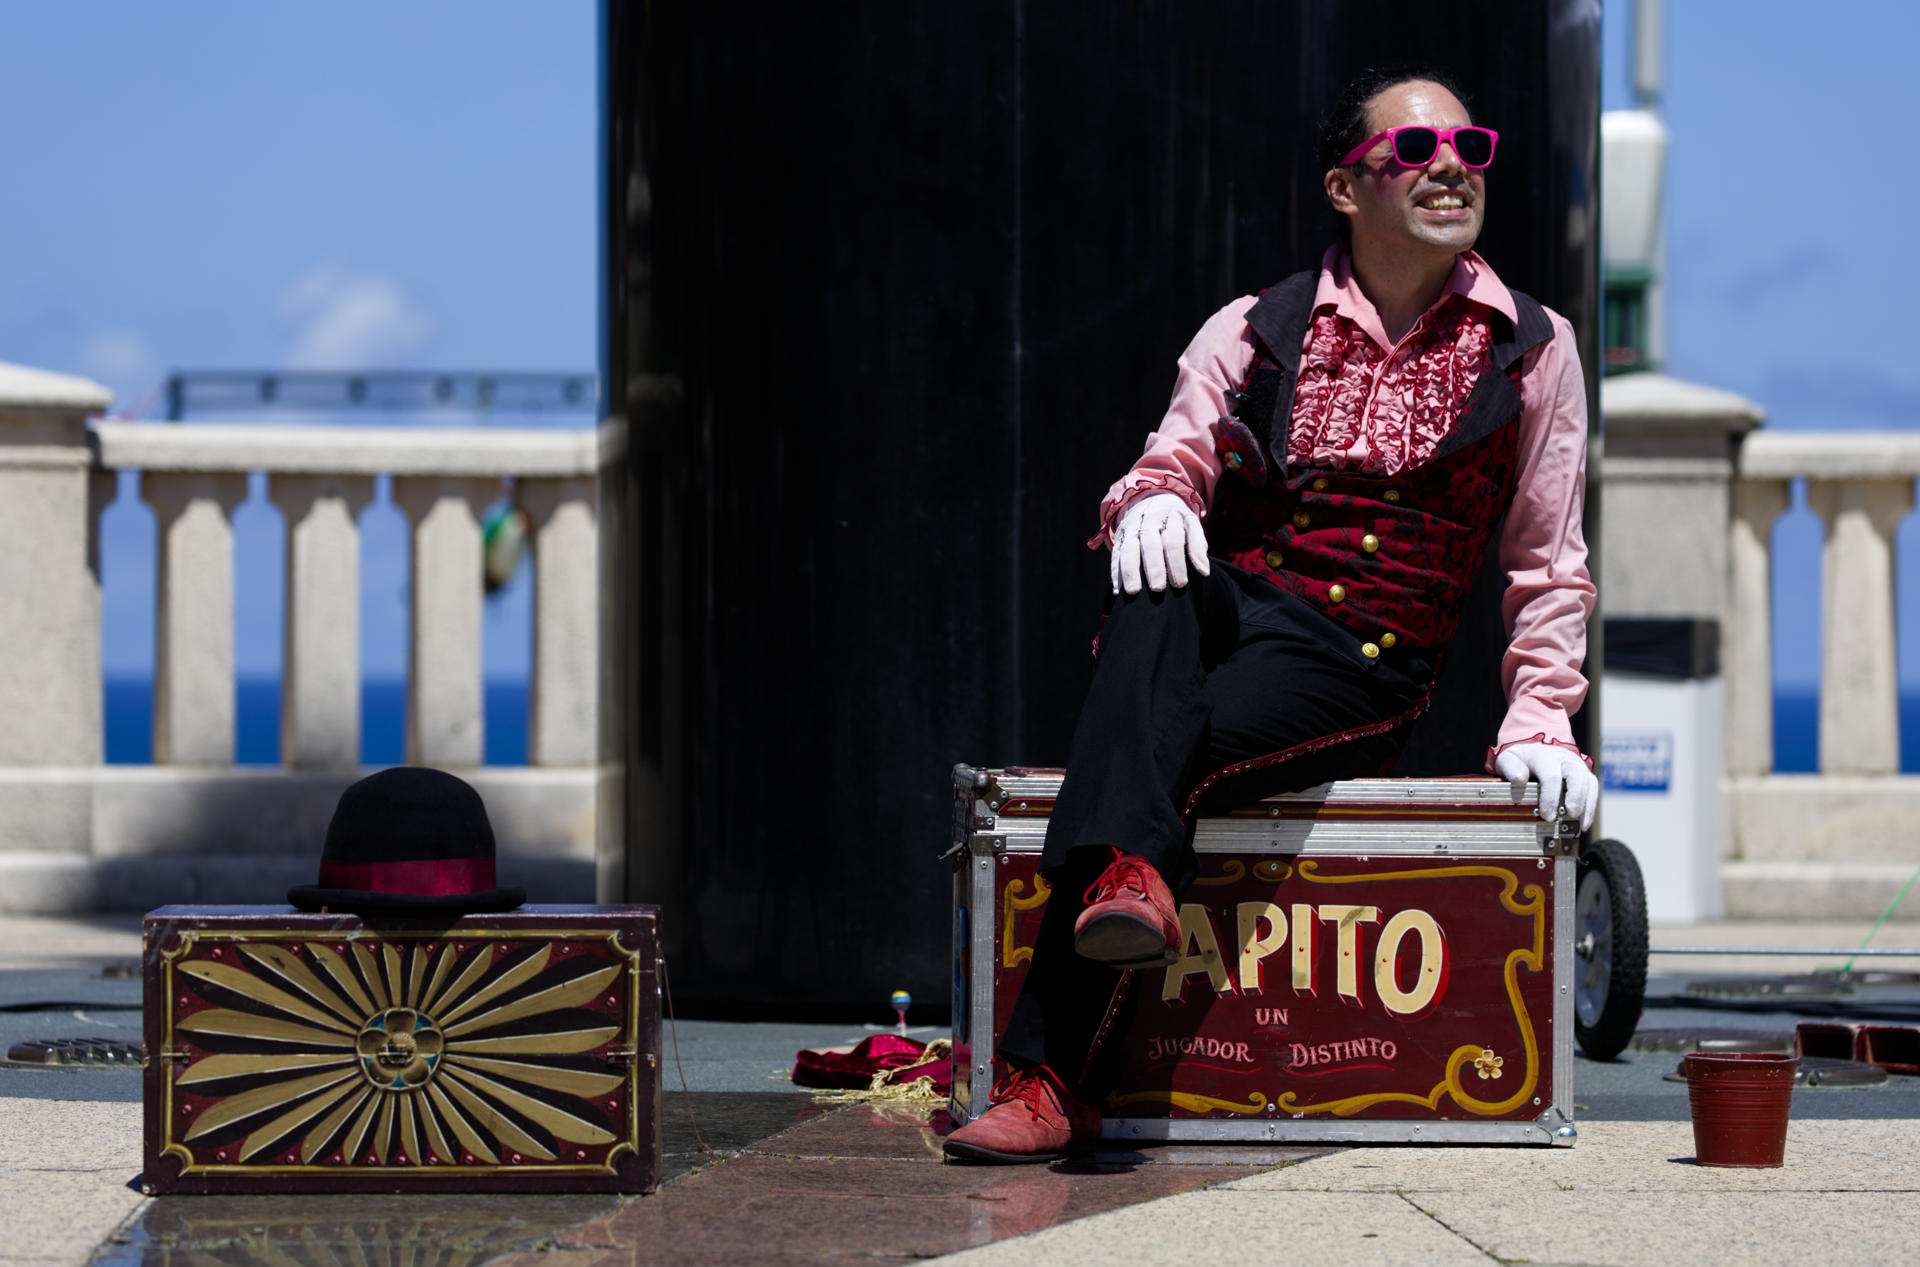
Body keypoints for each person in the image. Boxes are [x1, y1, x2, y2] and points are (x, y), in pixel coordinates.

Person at [943, 69, 1599, 1164]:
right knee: (1150, 568)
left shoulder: (1533, 347)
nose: (1451, 166)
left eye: (1470, 147)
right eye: (1417, 148)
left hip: (1361, 661)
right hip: (1228, 615)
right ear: (1347, 186)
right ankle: (1127, 888)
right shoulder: (1254, 327)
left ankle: (1054, 1074)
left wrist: (1541, 714)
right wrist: (1155, 496)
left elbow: (1548, 557)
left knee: (1172, 750)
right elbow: (1174, 459)